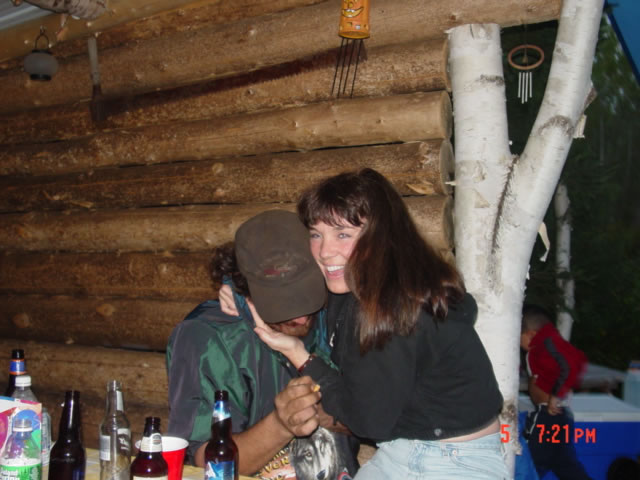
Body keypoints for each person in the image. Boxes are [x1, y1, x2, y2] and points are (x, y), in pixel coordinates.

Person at [248, 168, 508, 479]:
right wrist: (233, 292)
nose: (325, 251)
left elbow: (366, 421)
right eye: (316, 234)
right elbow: (277, 268)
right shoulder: (353, 282)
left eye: (343, 234)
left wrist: (301, 356)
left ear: (381, 235)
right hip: (403, 450)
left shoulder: (397, 305)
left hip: (452, 462)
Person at [166, 210, 359, 479]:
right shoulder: (209, 339)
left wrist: (332, 413)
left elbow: (380, 414)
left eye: (306, 294)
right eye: (282, 304)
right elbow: (204, 461)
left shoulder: (337, 309)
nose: (302, 317)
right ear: (245, 287)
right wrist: (281, 424)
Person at [520, 304, 591, 480]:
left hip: (547, 415)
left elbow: (569, 366)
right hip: (561, 417)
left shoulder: (544, 346)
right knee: (565, 464)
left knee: (527, 461)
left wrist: (555, 395)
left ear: (530, 334)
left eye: (518, 337)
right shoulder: (543, 348)